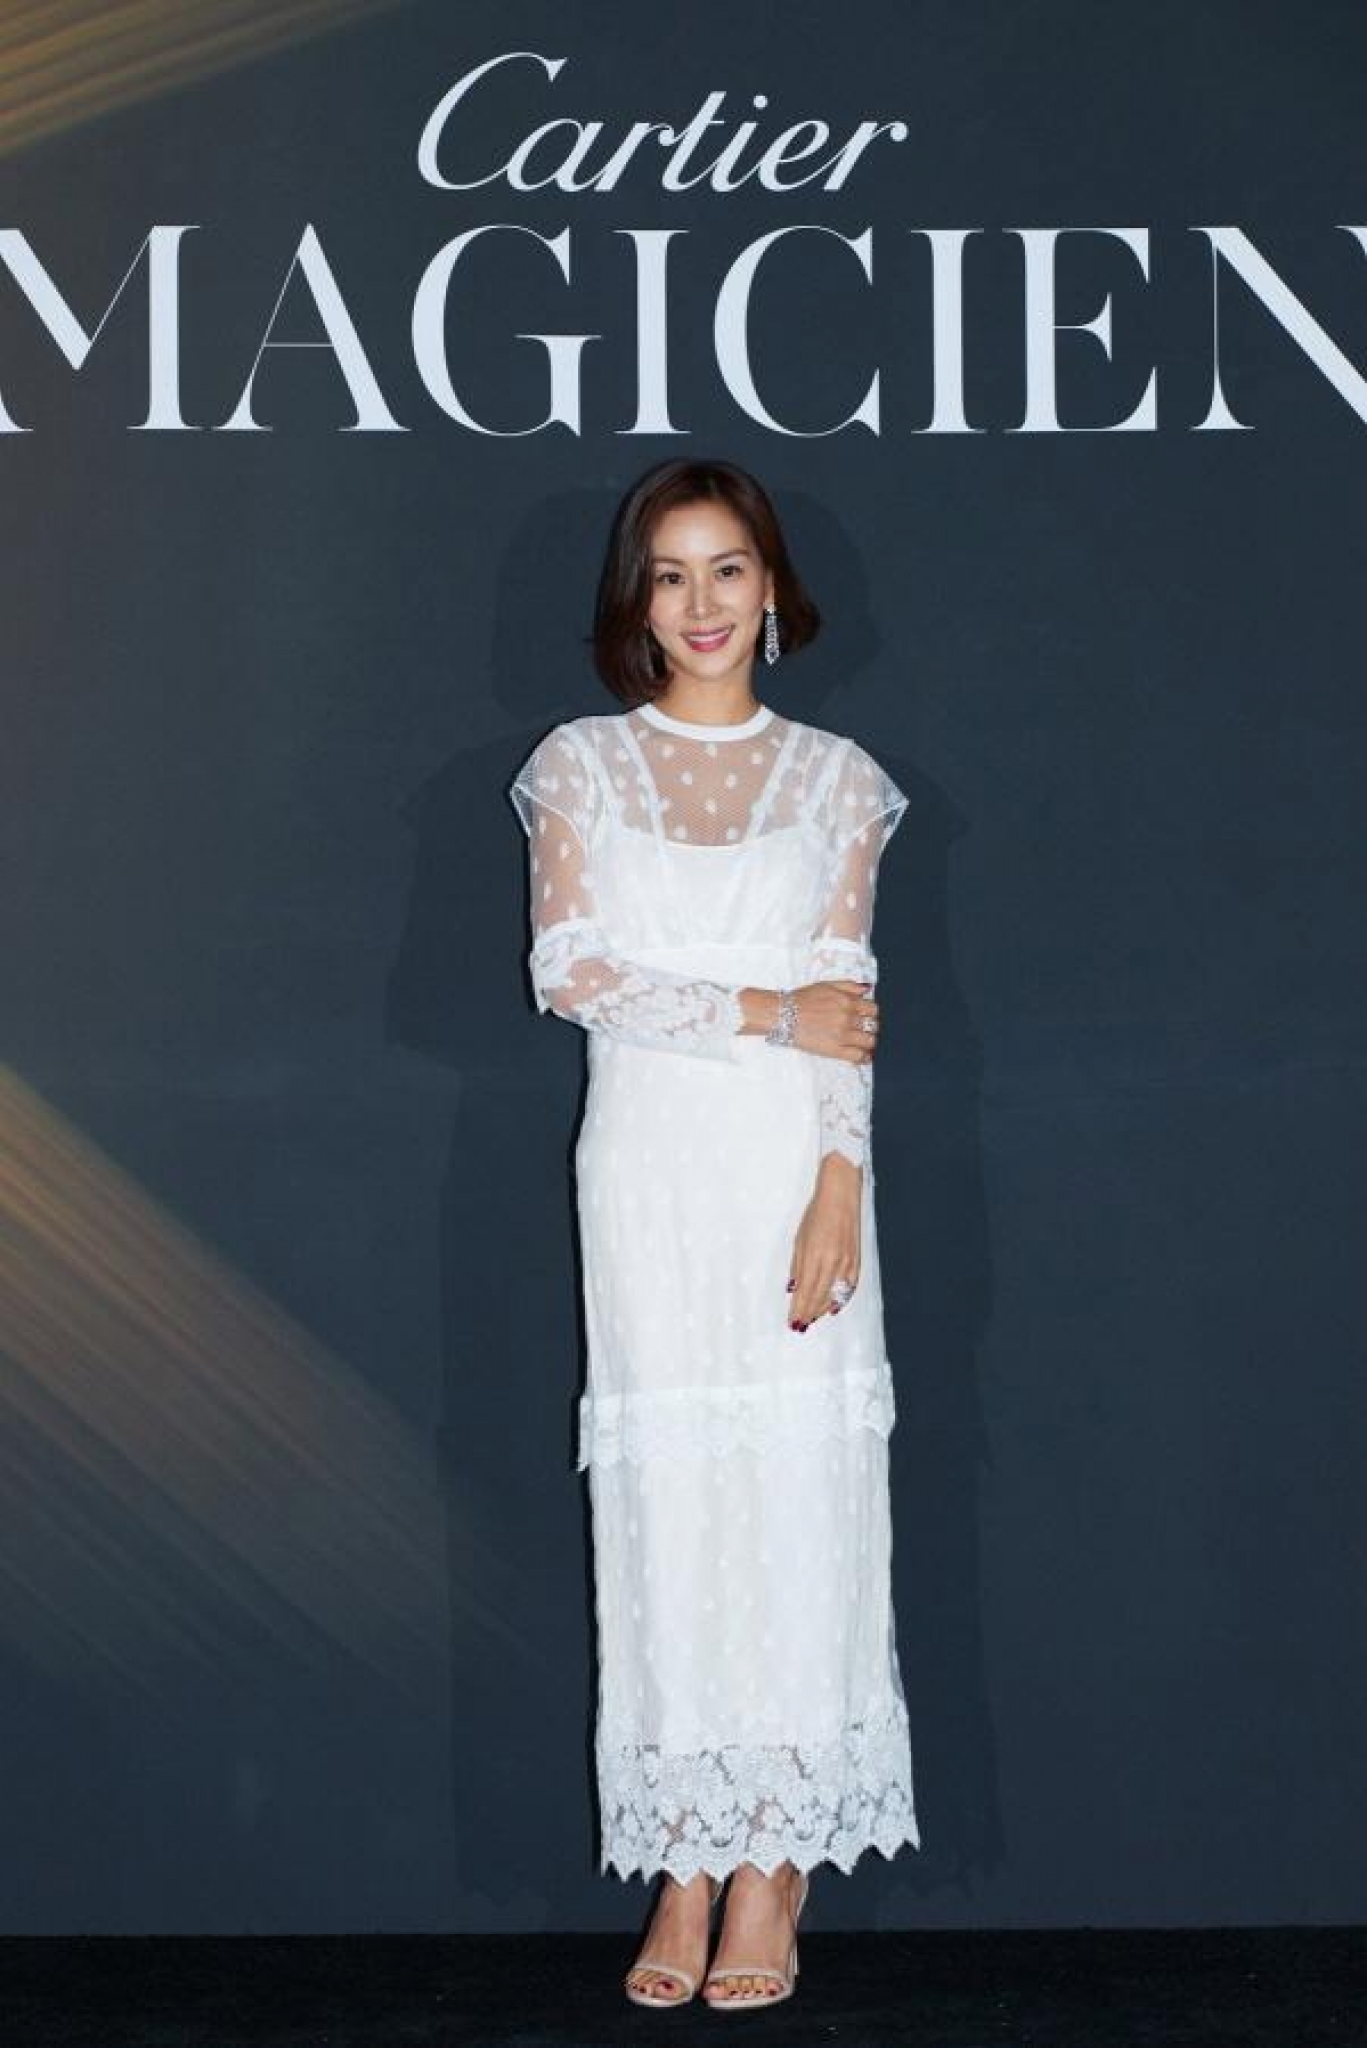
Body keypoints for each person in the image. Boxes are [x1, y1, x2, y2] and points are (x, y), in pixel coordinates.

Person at [508, 458, 919, 2010]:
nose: (701, 603)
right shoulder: (580, 766)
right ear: (639, 597)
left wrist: (840, 1183)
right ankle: (684, 1856)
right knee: (670, 1504)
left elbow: (849, 1002)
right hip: (650, 1173)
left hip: (788, 1171)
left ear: (772, 589)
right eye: (672, 572)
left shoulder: (837, 782)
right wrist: (766, 1009)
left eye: (727, 568)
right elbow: (572, 973)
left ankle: (773, 1865)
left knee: (804, 1489)